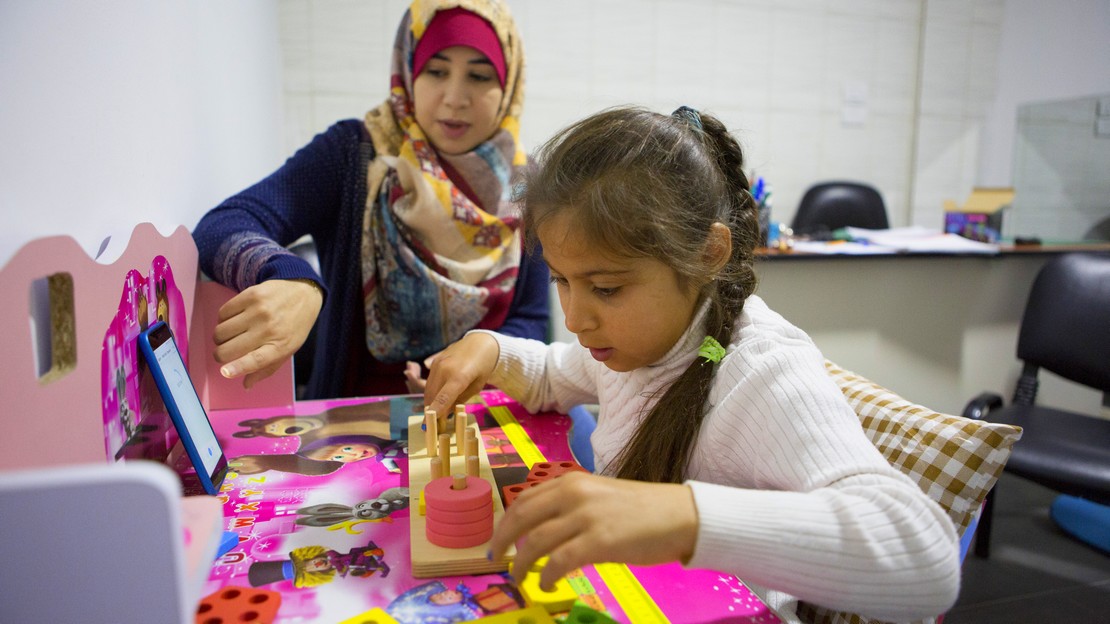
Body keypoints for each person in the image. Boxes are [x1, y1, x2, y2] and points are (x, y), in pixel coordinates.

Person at [422, 106, 961, 622]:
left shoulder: (760, 373)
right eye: (562, 280)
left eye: (605, 288)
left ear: (707, 255)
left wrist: (681, 516)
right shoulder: (634, 347)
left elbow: (926, 557)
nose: (576, 318)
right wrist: (490, 348)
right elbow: (552, 375)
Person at [193, 0, 548, 399]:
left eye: (479, 76)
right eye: (436, 71)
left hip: (480, 422)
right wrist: (290, 276)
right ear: (410, 72)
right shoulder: (354, 154)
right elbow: (224, 223)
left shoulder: (526, 186)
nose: (454, 97)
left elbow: (531, 320)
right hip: (350, 428)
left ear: (508, 87)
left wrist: (481, 362)